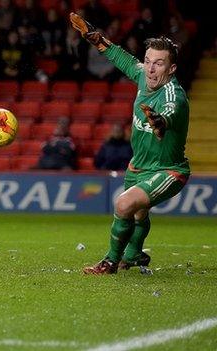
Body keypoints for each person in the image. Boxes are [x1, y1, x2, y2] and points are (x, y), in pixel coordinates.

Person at [70, 13, 190, 274]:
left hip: (168, 170)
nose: (150, 69)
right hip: (139, 165)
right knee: (138, 212)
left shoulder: (174, 96)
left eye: (158, 64)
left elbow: (169, 114)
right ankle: (134, 254)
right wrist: (98, 40)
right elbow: (121, 58)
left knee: (124, 204)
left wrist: (159, 123)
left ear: (171, 69)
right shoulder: (142, 75)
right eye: (148, 61)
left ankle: (110, 262)